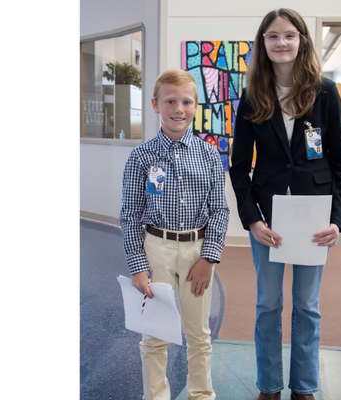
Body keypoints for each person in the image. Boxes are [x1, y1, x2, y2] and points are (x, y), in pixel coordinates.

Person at [228, 8, 341, 400]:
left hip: (314, 220)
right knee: (267, 305)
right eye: (272, 36)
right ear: (263, 43)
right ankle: (269, 386)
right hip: (268, 220)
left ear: (302, 40)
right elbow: (238, 166)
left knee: (306, 307)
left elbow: (340, 164)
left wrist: (337, 221)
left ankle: (304, 387)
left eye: (289, 35)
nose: (281, 42)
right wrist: (252, 220)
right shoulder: (252, 95)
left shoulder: (325, 92)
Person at [120, 69, 229, 400]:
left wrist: (209, 258)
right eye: (170, 101)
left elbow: (219, 210)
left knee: (199, 335)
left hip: (197, 251)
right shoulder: (141, 156)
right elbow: (130, 215)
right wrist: (138, 266)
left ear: (195, 106)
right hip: (157, 250)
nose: (178, 109)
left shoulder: (209, 155)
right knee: (154, 337)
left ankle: (201, 395)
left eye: (186, 102)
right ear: (155, 105)